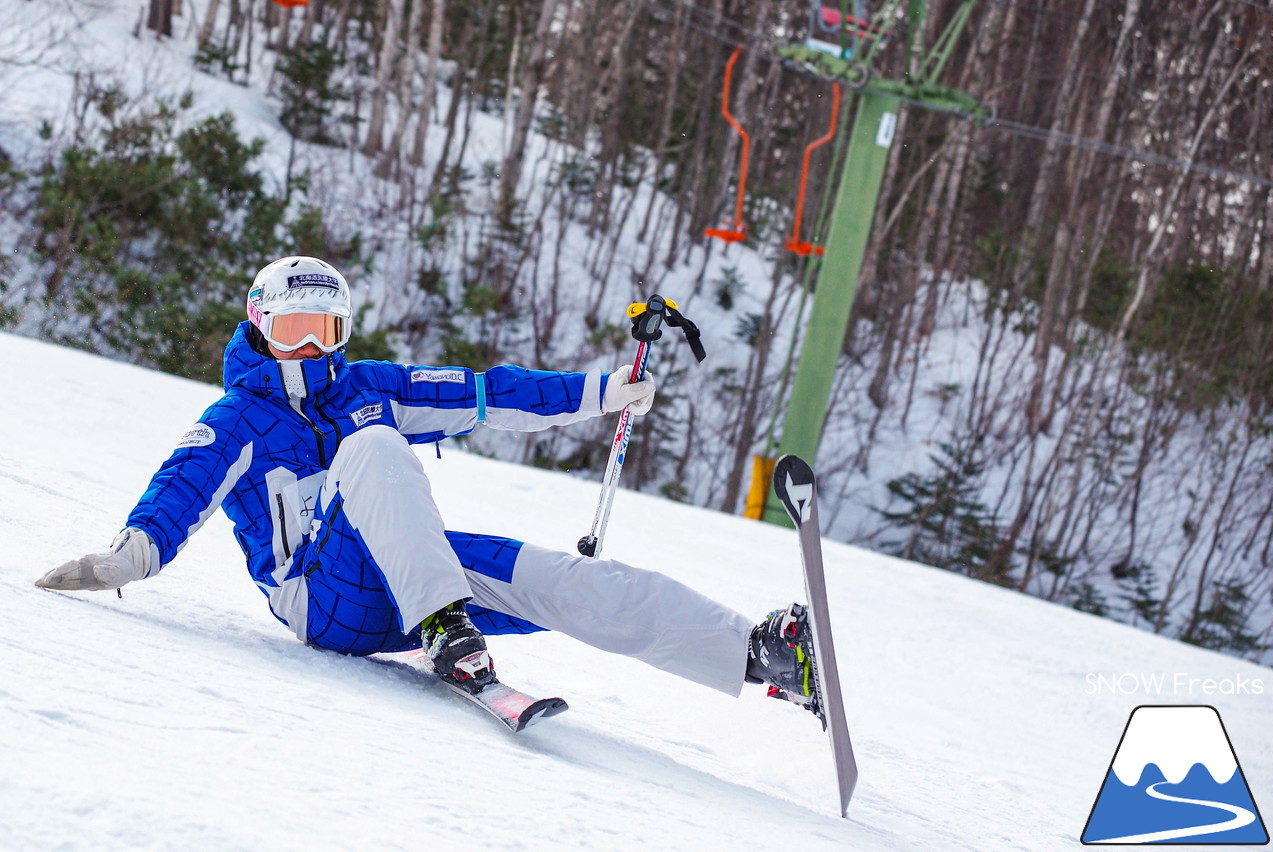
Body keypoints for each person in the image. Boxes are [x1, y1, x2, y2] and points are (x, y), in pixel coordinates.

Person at [35, 256, 817, 713]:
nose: (309, 348)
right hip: (323, 601)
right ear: (257, 325)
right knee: (372, 447)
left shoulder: (369, 384)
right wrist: (123, 561)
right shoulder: (236, 420)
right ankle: (448, 631)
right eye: (292, 330)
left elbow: (484, 391)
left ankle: (757, 656)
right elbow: (177, 495)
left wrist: (600, 393)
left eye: (326, 331)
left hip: (410, 579)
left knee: (566, 578)